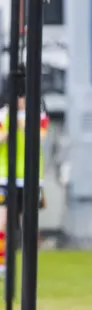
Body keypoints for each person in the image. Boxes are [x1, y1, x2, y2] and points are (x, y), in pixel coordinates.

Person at [0, 68, 49, 278]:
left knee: (28, 221)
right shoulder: (4, 114)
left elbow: (40, 138)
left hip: (30, 177)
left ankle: (30, 264)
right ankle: (2, 262)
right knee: (2, 220)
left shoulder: (37, 115)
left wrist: (22, 125)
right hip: (5, 176)